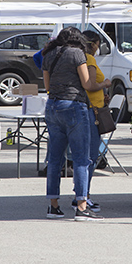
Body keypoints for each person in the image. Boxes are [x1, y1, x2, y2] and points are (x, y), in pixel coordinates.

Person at [42, 27, 106, 221]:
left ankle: (53, 207)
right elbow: (87, 84)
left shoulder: (48, 53)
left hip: (52, 106)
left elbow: (46, 86)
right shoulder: (77, 53)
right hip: (73, 106)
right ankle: (81, 206)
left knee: (54, 160)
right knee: (81, 158)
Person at [81, 30, 112, 212]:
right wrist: (105, 85)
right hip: (92, 112)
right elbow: (90, 85)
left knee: (86, 156)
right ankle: (84, 196)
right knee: (91, 156)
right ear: (93, 44)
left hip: (90, 108)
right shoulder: (89, 59)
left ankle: (82, 194)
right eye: (99, 44)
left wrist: (102, 94)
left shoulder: (79, 58)